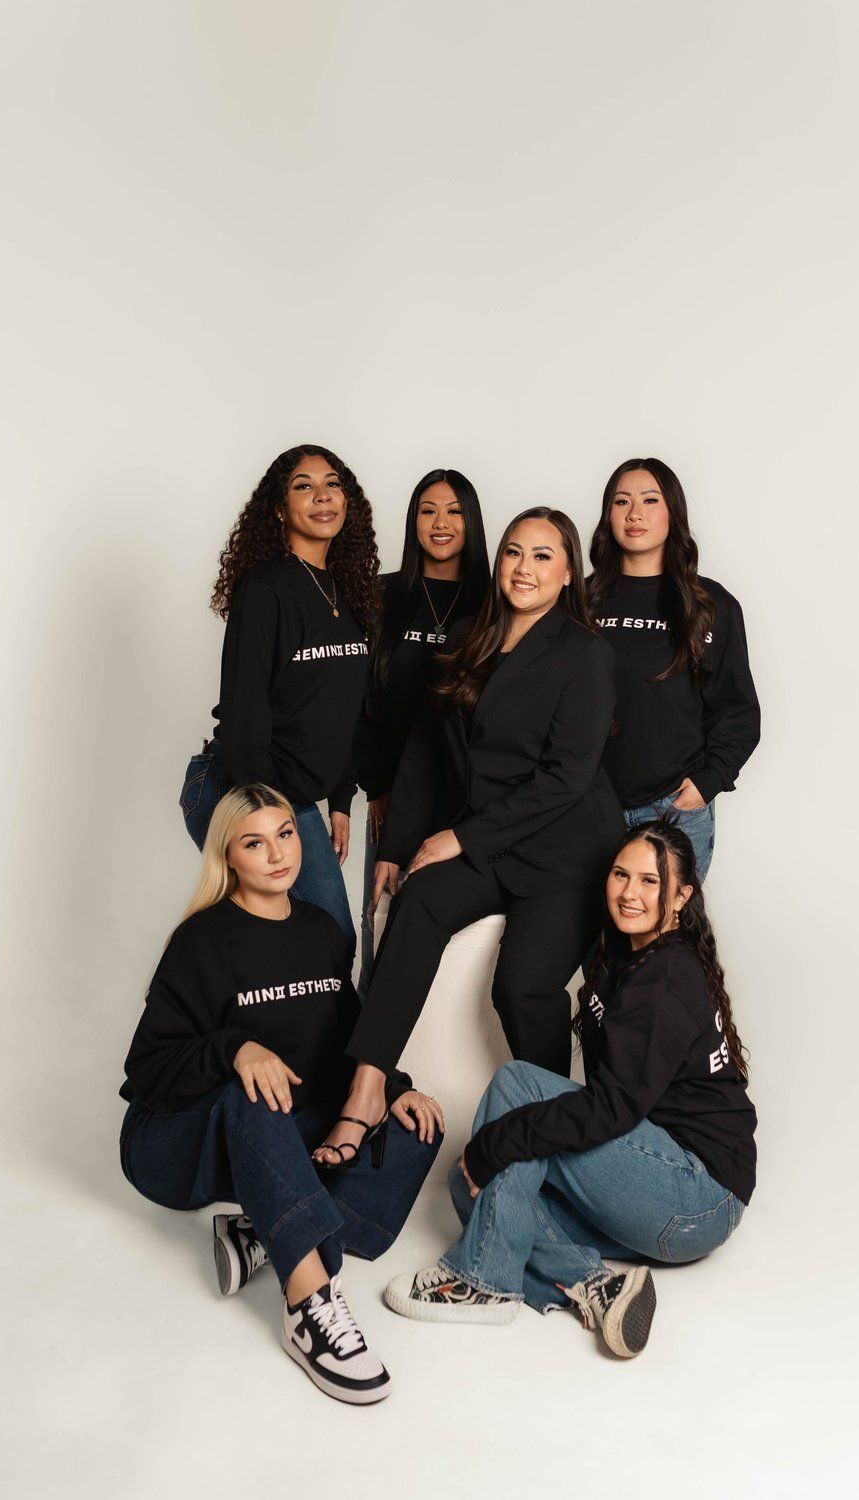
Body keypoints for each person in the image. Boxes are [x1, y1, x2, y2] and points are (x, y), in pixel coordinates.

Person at [312, 506, 625, 1169]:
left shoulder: (585, 655)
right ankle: (365, 1091)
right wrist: (397, 848)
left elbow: (565, 779)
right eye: (514, 551)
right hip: (493, 844)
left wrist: (461, 837)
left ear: (569, 572)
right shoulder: (466, 636)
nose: (524, 567)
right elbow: (425, 752)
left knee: (521, 987)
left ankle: (553, 1131)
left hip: (564, 851)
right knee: (419, 899)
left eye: (543, 556)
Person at [119, 784, 444, 1405]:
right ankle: (310, 1305)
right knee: (253, 1093)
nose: (276, 854)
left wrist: (391, 1088)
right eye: (254, 842)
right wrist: (233, 1048)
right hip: (172, 1142)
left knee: (416, 1124)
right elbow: (147, 1069)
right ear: (229, 857)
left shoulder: (320, 931)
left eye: (286, 835)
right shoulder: (203, 940)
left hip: (267, 1134)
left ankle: (263, 1229)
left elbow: (339, 1033)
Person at [383, 819, 755, 1360]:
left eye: (650, 882)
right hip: (656, 1183)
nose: (630, 892)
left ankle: (483, 1280)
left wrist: (501, 1140)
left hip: (697, 1195)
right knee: (470, 1187)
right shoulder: (627, 951)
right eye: (620, 875)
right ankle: (596, 1287)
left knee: (514, 1091)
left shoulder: (667, 976)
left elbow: (611, 1109)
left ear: (681, 895)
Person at [178, 444, 381, 945]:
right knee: (324, 938)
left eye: (333, 483)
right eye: (303, 486)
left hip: (296, 796)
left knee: (311, 944)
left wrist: (338, 799)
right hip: (242, 787)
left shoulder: (349, 591)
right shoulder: (265, 590)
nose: (322, 496)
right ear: (278, 508)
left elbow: (346, 710)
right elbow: (246, 714)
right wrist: (272, 820)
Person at [587, 457, 760, 881]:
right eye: (621, 501)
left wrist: (708, 782)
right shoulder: (582, 601)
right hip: (587, 806)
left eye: (650, 500)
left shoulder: (710, 605)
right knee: (583, 941)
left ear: (674, 511)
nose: (634, 514)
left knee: (666, 941)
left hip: (672, 811)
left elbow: (737, 710)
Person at [353, 467, 490, 989]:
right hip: (394, 794)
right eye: (428, 510)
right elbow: (361, 702)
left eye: (455, 511)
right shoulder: (382, 597)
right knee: (382, 916)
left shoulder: (492, 602)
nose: (440, 523)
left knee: (455, 932)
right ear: (412, 521)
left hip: (466, 799)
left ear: (472, 522)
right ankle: (374, 1051)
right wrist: (379, 787)